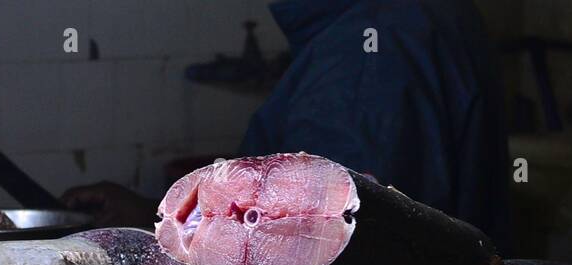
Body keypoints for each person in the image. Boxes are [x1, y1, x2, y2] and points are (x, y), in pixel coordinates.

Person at [63, 0, 511, 247]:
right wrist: (163, 214)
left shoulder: (366, 49)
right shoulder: (408, 17)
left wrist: (168, 225)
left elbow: (320, 243)